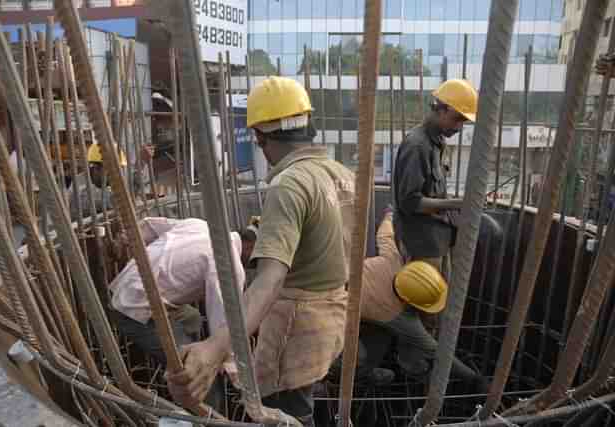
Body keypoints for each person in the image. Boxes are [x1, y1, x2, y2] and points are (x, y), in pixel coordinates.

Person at [166, 77, 355, 427]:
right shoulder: (342, 175)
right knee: (303, 398)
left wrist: (214, 349)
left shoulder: (289, 184)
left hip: (293, 329)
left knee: (285, 412)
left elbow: (269, 279)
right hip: (332, 318)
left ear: (260, 138)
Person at [108, 216, 257, 408]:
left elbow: (149, 225)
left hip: (124, 289)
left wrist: (124, 239)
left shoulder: (201, 225)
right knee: (199, 377)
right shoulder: (229, 264)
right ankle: (205, 414)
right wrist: (237, 374)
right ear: (252, 246)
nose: (257, 264)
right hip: (136, 310)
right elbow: (223, 329)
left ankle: (181, 354)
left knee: (192, 318)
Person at [358, 211, 487, 392]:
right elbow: (437, 352)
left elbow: (385, 233)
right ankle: (353, 373)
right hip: (327, 312)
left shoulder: (393, 260)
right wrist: (474, 378)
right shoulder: (396, 315)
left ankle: (365, 368)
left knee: (379, 337)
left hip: (330, 288)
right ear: (409, 301)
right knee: (356, 357)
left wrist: (390, 214)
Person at [392, 79, 478, 279]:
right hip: (421, 245)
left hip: (437, 240)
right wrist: (457, 203)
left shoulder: (437, 142)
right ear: (441, 110)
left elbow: (431, 191)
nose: (459, 127)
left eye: (463, 121)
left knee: (440, 302)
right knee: (425, 305)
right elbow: (410, 202)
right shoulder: (417, 146)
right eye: (457, 119)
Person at [69, 139, 154, 219]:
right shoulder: (81, 188)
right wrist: (140, 164)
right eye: (113, 170)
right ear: (96, 168)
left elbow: (130, 185)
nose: (116, 175)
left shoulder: (102, 180)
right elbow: (116, 201)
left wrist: (141, 164)